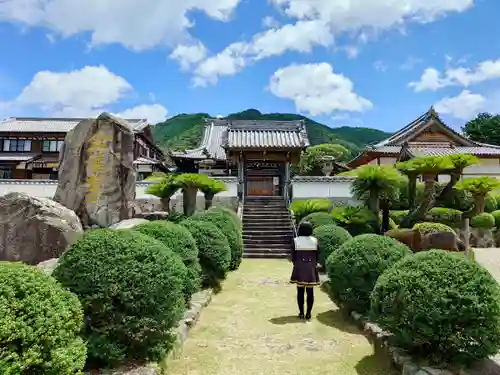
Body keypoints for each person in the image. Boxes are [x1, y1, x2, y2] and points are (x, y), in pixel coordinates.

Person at [289, 221, 320, 321]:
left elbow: (292, 257)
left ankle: (301, 313)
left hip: (299, 269)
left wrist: (297, 264)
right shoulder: (315, 241)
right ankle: (308, 314)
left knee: (300, 292)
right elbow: (317, 256)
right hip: (311, 269)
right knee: (310, 292)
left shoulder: (295, 240)